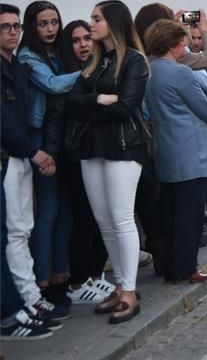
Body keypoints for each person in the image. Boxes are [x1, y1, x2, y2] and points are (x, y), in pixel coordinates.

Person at [66, 0, 149, 324]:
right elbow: (72, 104)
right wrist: (99, 99)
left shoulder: (133, 60)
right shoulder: (98, 62)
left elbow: (127, 106)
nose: (91, 25)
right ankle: (120, 286)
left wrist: (92, 106)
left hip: (123, 146)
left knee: (121, 218)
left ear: (113, 23)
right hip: (92, 147)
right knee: (105, 221)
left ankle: (128, 290)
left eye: (97, 19)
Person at [2, 3, 62, 338]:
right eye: (4, 27)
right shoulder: (14, 65)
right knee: (14, 230)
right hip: (11, 156)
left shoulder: (17, 66)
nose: (12, 32)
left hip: (22, 154)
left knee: (21, 228)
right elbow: (5, 121)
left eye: (15, 26)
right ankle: (22, 300)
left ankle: (30, 298)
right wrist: (33, 152)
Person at [44, 21, 114, 306]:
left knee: (102, 218)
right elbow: (56, 120)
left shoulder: (98, 71)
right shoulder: (67, 77)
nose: (83, 44)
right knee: (83, 219)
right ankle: (78, 281)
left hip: (99, 152)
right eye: (75, 40)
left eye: (87, 38)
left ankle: (94, 275)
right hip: (75, 156)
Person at [143, 20, 207, 284]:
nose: (185, 46)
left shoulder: (150, 70)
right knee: (190, 215)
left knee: (170, 212)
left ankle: (169, 264)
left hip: (165, 146)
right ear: (175, 44)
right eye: (183, 42)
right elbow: (205, 108)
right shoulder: (180, 73)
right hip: (189, 150)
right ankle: (186, 267)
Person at [16, 1, 80, 309]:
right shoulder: (29, 56)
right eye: (43, 23)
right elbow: (54, 86)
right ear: (32, 26)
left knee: (65, 212)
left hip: (61, 135)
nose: (51, 29)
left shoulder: (56, 53)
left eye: (54, 22)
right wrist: (90, 71)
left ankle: (59, 278)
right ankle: (42, 283)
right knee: (49, 211)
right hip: (40, 136)